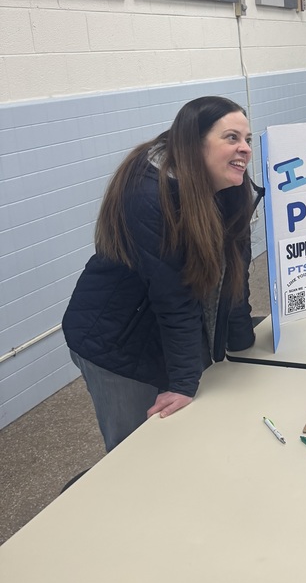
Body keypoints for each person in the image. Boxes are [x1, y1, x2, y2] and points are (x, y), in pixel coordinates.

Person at [62, 96, 258, 451]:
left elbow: (236, 267)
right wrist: (184, 382)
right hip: (114, 342)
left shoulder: (230, 181)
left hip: (165, 326)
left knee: (187, 434)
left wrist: (241, 341)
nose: (245, 149)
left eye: (248, 139)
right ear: (193, 143)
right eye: (232, 138)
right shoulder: (146, 194)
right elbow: (174, 295)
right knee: (136, 448)